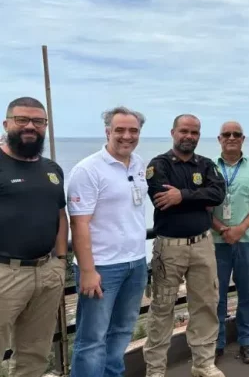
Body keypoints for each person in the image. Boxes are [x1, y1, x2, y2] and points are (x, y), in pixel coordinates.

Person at [68, 107, 149, 376]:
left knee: (122, 332)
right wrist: (88, 271)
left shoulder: (138, 164)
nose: (127, 136)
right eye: (120, 130)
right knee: (92, 340)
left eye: (133, 130)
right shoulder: (88, 170)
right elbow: (79, 223)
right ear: (107, 132)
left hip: (135, 263)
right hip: (102, 267)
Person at [144, 114, 226, 377]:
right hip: (170, 248)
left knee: (205, 305)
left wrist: (182, 194)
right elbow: (161, 198)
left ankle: (203, 364)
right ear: (173, 132)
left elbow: (218, 194)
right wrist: (196, 198)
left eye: (194, 132)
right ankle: (155, 370)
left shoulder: (206, 164)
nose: (189, 136)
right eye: (184, 131)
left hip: (203, 244)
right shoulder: (159, 164)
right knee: (162, 308)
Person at [0, 97, 68, 377]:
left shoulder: (52, 168)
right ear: (6, 124)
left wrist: (61, 260)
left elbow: (60, 215)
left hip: (46, 271)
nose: (30, 126)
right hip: (5, 274)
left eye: (38, 121)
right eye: (22, 120)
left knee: (35, 352)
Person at [211, 121, 249, 364]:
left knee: (248, 294)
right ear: (219, 139)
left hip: (248, 241)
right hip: (217, 242)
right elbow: (203, 205)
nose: (232, 138)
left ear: (243, 139)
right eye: (227, 134)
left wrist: (240, 229)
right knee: (216, 296)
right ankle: (215, 343)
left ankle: (248, 341)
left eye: (237, 134)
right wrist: (224, 229)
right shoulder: (208, 167)